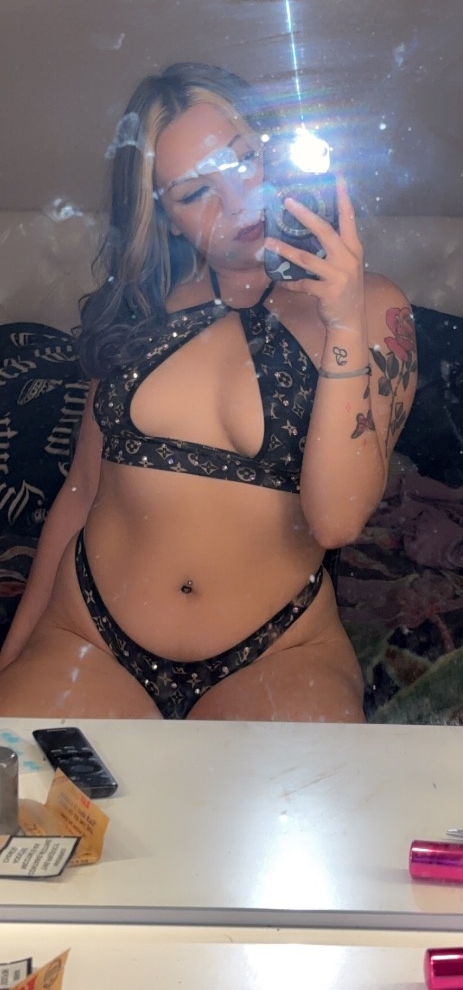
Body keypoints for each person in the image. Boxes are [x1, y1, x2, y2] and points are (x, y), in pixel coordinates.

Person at [0, 62, 417, 720]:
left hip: (281, 651)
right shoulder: (139, 307)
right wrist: (13, 656)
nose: (238, 201)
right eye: (196, 192)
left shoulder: (374, 307)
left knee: (313, 787)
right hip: (87, 638)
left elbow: (336, 522)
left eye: (244, 161)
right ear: (164, 217)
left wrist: (342, 323)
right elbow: (81, 490)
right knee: (18, 782)